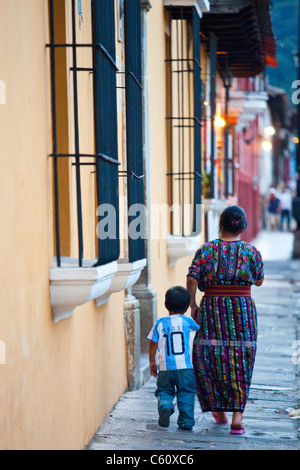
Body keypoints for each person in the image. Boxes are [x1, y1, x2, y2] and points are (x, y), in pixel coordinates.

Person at [186, 206, 264, 435]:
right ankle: (237, 416)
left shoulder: (206, 250)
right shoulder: (251, 252)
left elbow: (192, 278)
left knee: (208, 355)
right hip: (243, 310)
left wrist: (193, 304)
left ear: (220, 224)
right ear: (243, 226)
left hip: (212, 308)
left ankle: (219, 411)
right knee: (242, 357)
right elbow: (258, 281)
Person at [148, 286, 200, 430]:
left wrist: (152, 361)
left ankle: (165, 405)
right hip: (185, 368)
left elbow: (153, 343)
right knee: (186, 393)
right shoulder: (187, 321)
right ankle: (186, 421)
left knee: (164, 390)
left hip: (165, 368)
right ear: (185, 307)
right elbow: (198, 327)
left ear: (166, 305)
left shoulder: (159, 323)